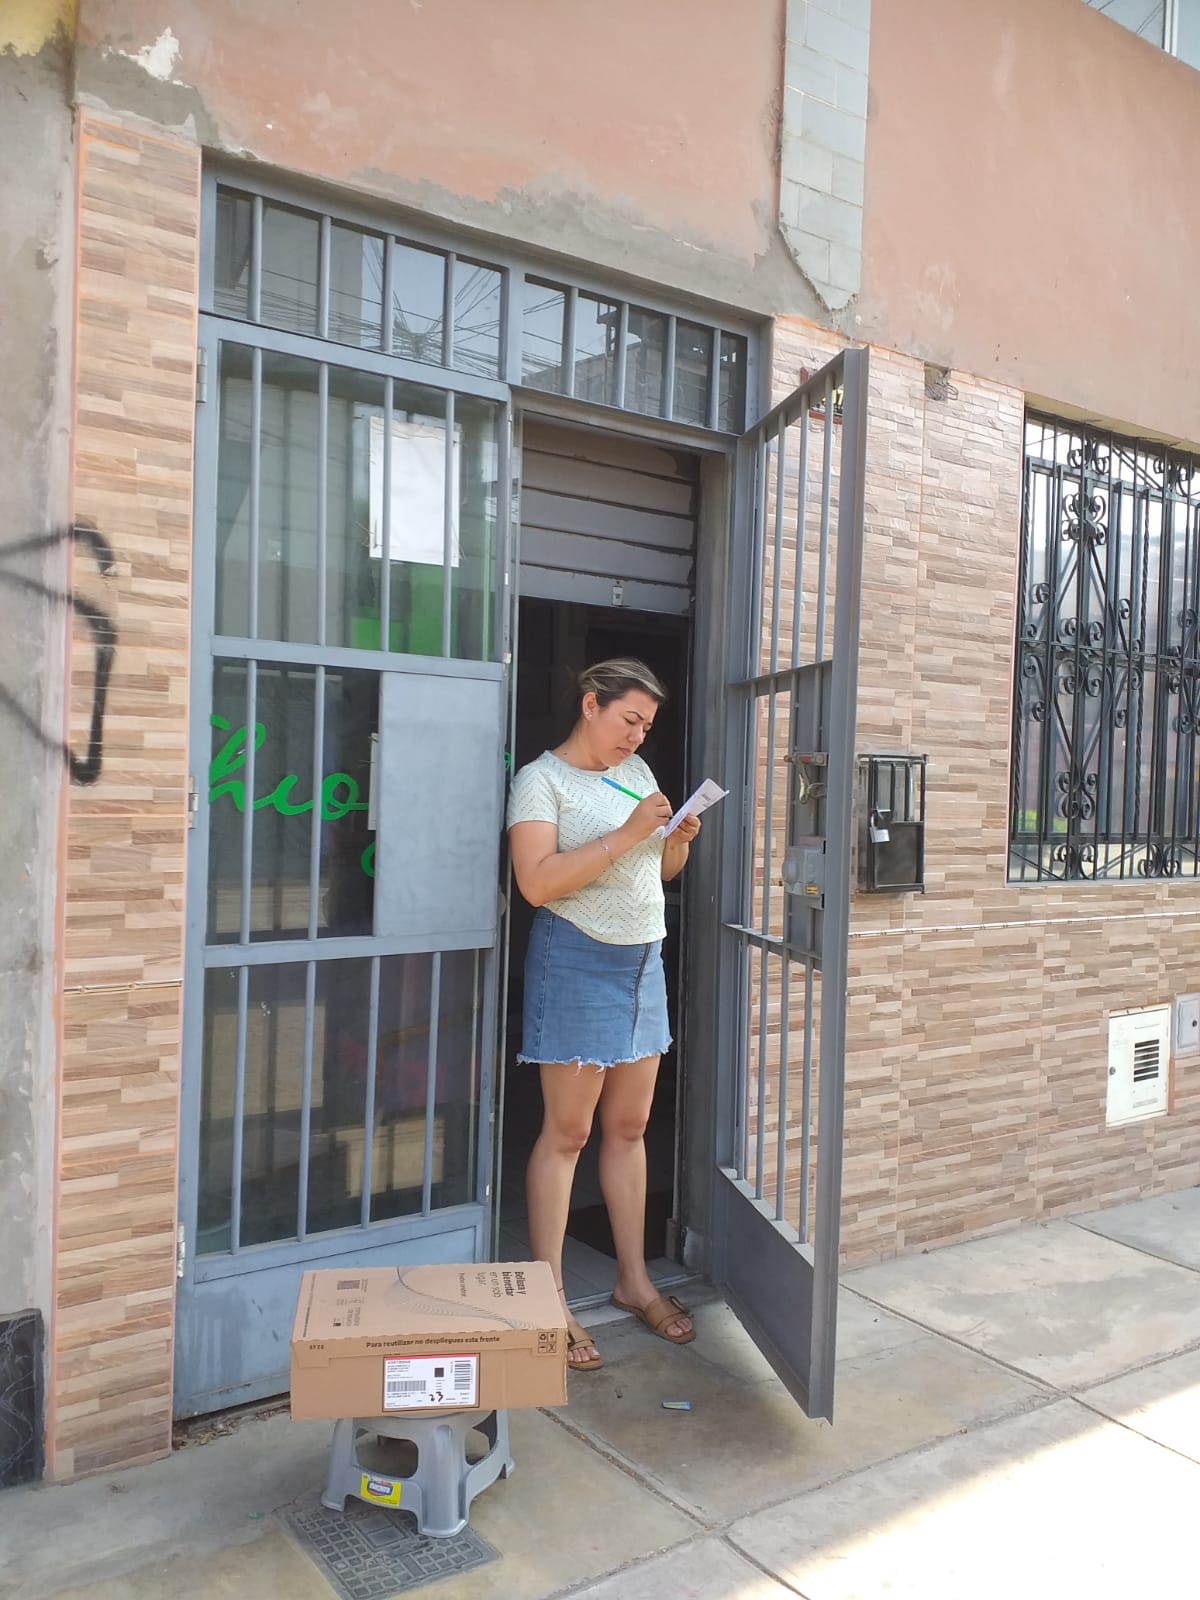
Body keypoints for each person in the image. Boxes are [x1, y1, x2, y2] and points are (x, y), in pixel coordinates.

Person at [506, 658, 701, 1370]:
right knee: (569, 1132)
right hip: (576, 958)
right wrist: (625, 832)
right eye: (629, 720)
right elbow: (536, 883)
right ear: (591, 704)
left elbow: (657, 871)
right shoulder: (541, 780)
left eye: (646, 726)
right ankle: (549, 1295)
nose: (637, 736)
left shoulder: (637, 772)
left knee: (629, 1127)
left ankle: (633, 1280)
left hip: (642, 961)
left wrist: (674, 843)